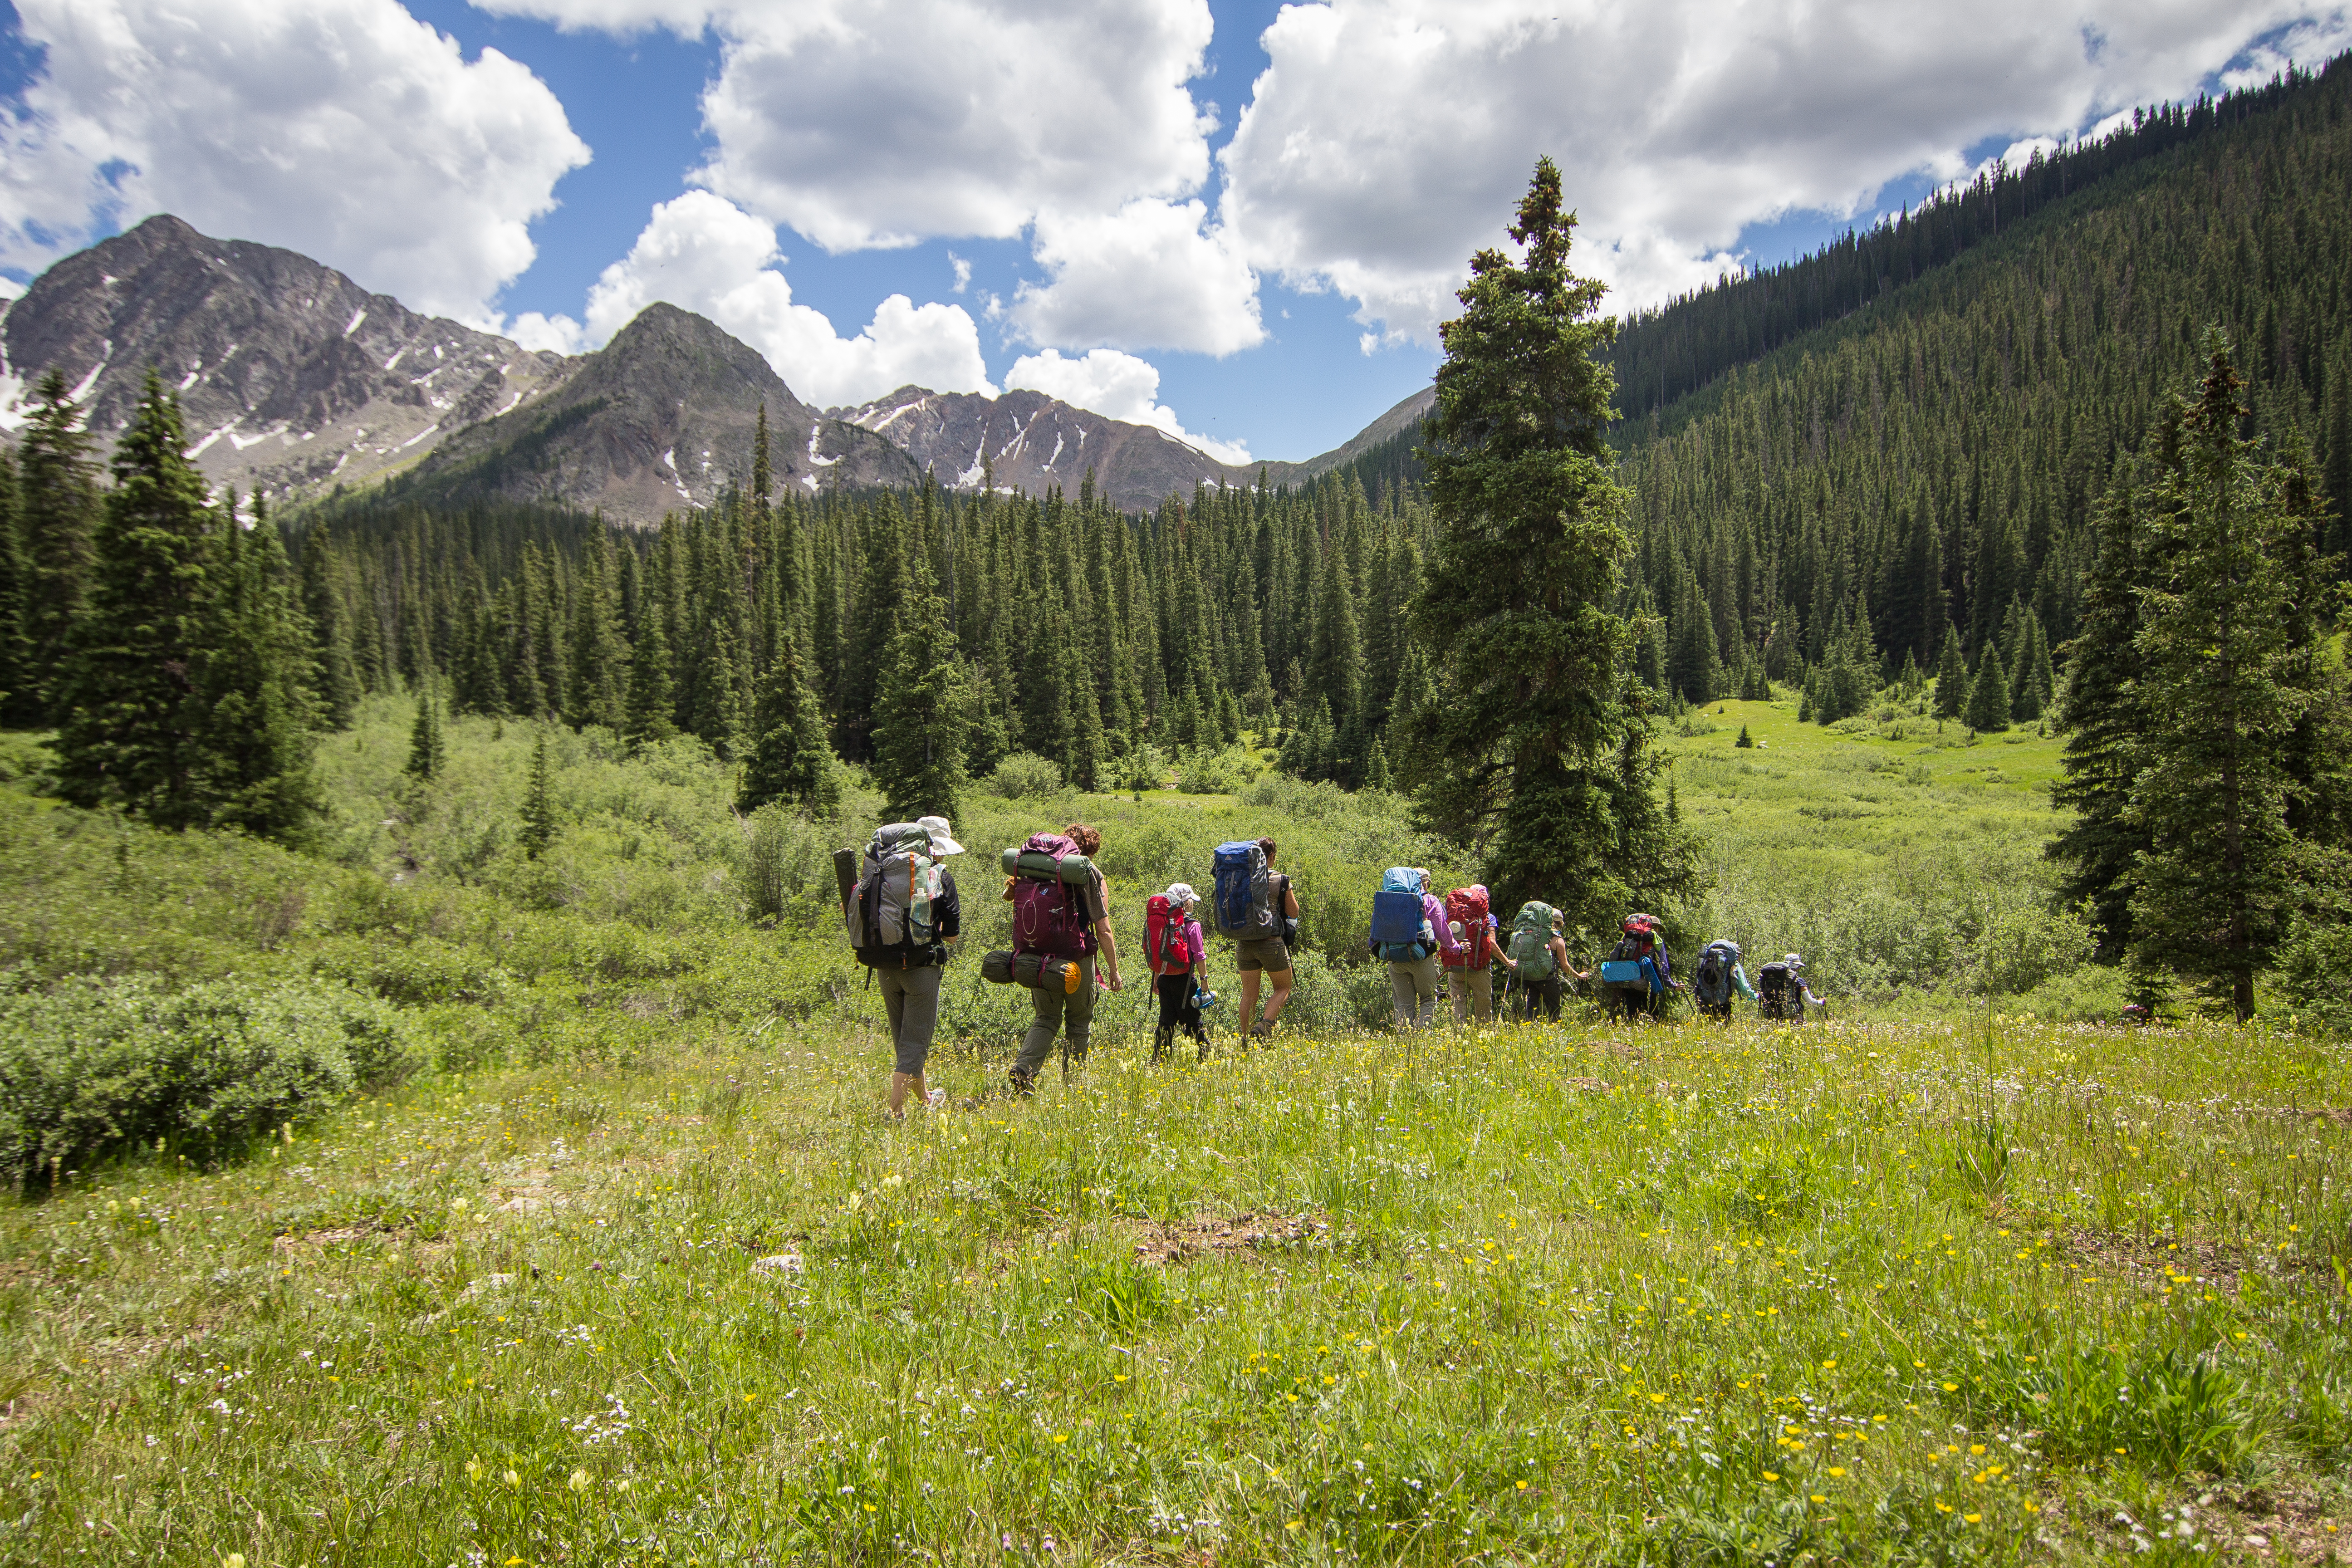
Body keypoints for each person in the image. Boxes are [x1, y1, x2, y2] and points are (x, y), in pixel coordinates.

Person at [1007, 821, 1123, 1093]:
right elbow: (1103, 928)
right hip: (1075, 959)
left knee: (1046, 1019)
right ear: (1089, 853)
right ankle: (1075, 1088)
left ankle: (1024, 1070)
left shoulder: (1040, 868)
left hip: (1037, 957)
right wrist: (1114, 970)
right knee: (1079, 1020)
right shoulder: (1088, 872)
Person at [877, 816, 963, 1117]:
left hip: (884, 967)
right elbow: (951, 936)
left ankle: (925, 1098)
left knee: (904, 1040)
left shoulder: (885, 872)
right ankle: (895, 1111)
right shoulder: (940, 876)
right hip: (922, 970)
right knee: (916, 1043)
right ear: (935, 848)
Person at [1234, 837, 1300, 1041]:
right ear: (1271, 857)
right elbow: (1294, 911)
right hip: (1271, 942)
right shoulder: (1280, 880)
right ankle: (1264, 1026)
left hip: (1244, 943)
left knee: (1249, 995)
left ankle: (1246, 1040)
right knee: (1283, 988)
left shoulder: (1242, 878)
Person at [1383, 868, 1461, 1029]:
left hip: (1394, 957)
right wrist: (1456, 949)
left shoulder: (1391, 899)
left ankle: (1404, 1043)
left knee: (1404, 1004)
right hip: (1421, 957)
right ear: (1426, 882)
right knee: (1427, 999)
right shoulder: (1429, 900)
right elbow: (1442, 932)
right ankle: (1422, 1038)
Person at [1149, 882, 1210, 1063]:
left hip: (1165, 980)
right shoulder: (1192, 925)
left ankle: (1160, 1061)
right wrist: (1204, 980)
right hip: (1185, 981)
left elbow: (1158, 954)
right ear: (1186, 902)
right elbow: (1199, 956)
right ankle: (1203, 1059)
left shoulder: (1163, 923)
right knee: (1192, 1021)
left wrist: (1156, 980)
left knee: (1166, 1021)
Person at [1441, 886, 1516, 1025]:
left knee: (1459, 1008)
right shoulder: (1487, 916)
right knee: (1483, 1007)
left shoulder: (1453, 912)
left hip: (1455, 966)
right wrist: (1507, 962)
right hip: (1479, 968)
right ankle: (1485, 1035)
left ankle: (1460, 1036)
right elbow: (1492, 944)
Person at [1512, 905, 1580, 1021]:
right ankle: (1554, 1028)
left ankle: (1530, 1029)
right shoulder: (1558, 941)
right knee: (1554, 1009)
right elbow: (1565, 966)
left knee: (1531, 1009)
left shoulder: (1533, 934)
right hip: (1547, 978)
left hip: (1529, 976)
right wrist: (1579, 976)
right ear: (1559, 924)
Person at [1692, 938, 1759, 1022]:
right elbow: (1743, 988)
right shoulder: (1734, 965)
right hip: (1723, 1003)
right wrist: (1756, 996)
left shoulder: (1708, 961)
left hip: (1705, 1000)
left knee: (1708, 1027)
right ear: (1735, 954)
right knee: (1723, 1028)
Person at [1757, 953, 1826, 1022]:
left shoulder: (1769, 978)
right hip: (1792, 1015)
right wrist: (1822, 1002)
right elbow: (1810, 1001)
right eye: (1798, 967)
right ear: (1796, 967)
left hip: (1770, 1013)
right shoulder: (1798, 981)